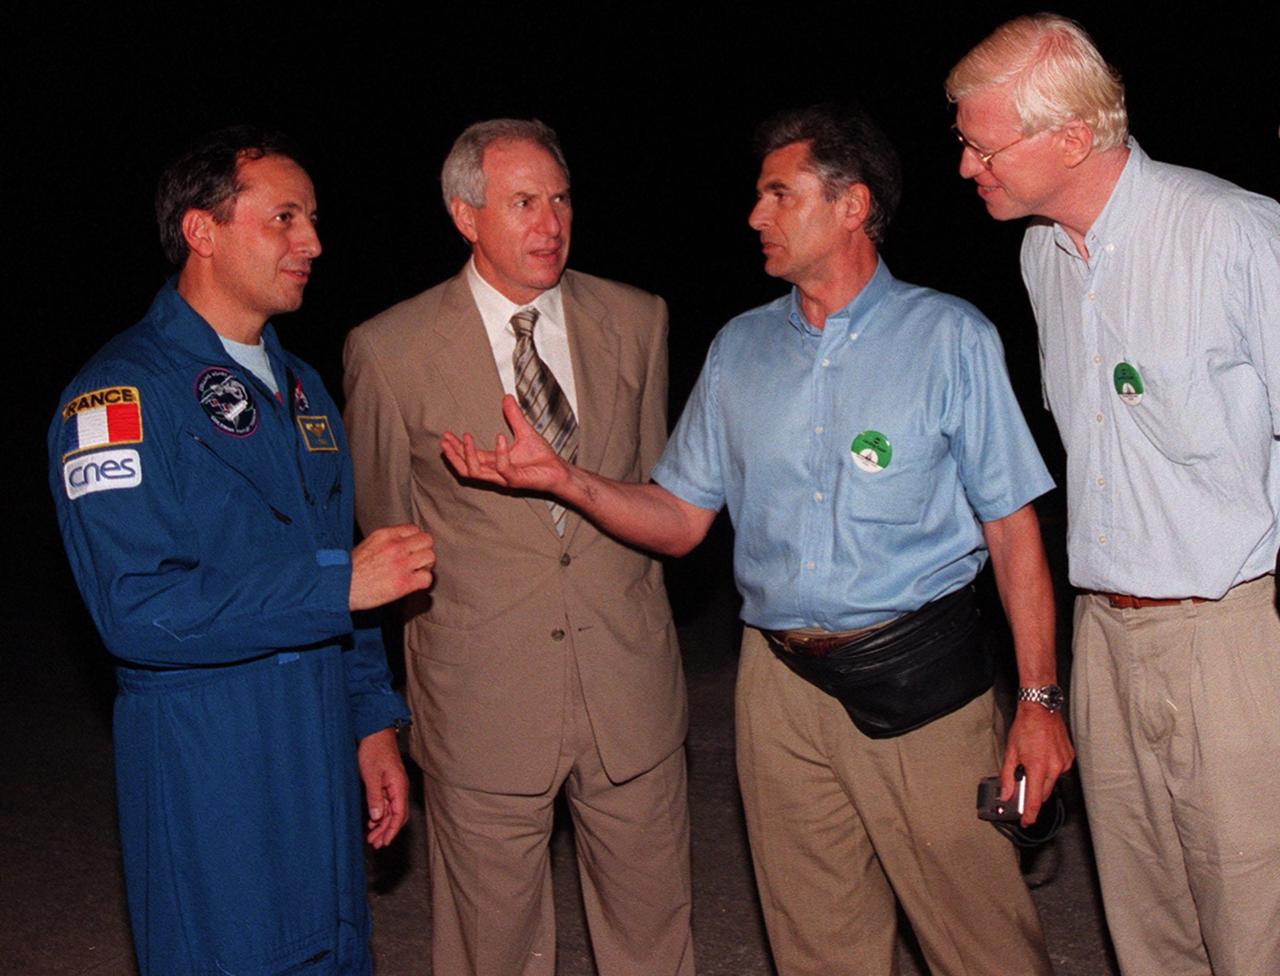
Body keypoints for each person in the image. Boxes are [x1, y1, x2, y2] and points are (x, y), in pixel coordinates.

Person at [443, 103, 1073, 976]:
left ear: (852, 205)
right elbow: (680, 519)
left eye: (780, 194)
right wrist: (565, 480)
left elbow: (1013, 529)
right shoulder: (740, 349)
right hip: (777, 690)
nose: (755, 215)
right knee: (816, 948)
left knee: (983, 945)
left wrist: (1038, 702)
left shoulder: (948, 337)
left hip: (921, 683)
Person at [47, 126, 436, 976]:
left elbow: (338, 562)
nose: (313, 242)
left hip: (315, 743)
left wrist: (371, 723)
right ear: (203, 231)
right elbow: (138, 610)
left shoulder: (302, 390)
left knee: (334, 953)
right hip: (208, 754)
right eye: (285, 217)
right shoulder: (116, 397)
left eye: (314, 218)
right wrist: (335, 585)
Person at [947, 14, 1280, 975]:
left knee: (1257, 930)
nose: (967, 167)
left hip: (1236, 639)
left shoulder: (1232, 232)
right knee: (1147, 936)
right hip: (1106, 639)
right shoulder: (1041, 257)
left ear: (1070, 138)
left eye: (983, 146)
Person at [342, 118, 693, 976]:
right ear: (465, 216)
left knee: (654, 940)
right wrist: (375, 714)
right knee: (491, 952)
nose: (551, 223)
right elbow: (386, 536)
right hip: (482, 704)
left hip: (630, 690)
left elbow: (655, 499)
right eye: (524, 202)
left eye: (561, 199)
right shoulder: (389, 351)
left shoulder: (637, 320)